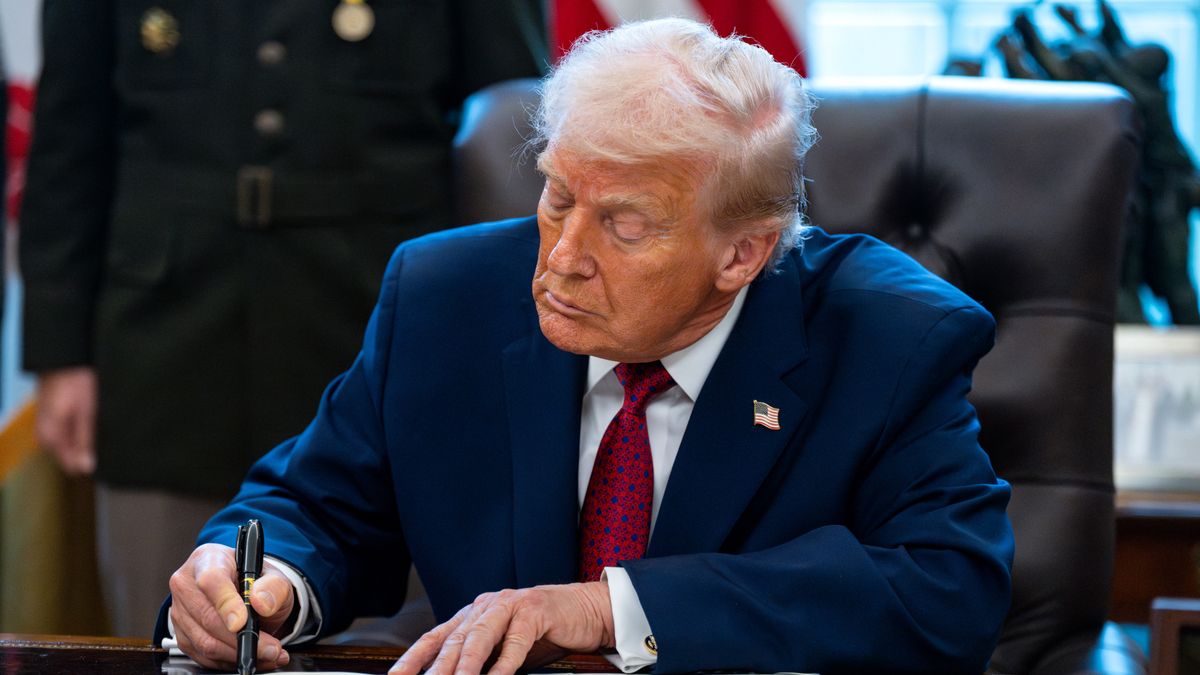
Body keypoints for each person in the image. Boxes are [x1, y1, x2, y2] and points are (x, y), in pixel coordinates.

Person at [160, 18, 1014, 674]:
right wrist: (260, 577)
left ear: (742, 253)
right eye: (559, 196)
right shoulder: (444, 296)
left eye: (625, 224)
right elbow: (316, 502)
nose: (563, 258)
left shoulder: (889, 338)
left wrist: (611, 609)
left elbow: (948, 591)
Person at [19, 0, 545, 636]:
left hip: (376, 334)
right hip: (162, 337)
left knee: (388, 623)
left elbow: (517, 132)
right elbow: (68, 141)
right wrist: (61, 351)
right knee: (172, 627)